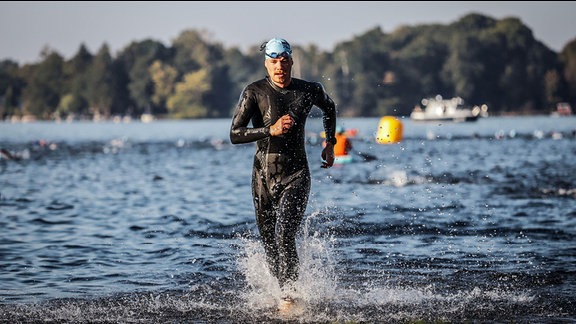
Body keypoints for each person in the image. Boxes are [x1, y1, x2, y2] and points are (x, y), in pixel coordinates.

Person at [229, 37, 337, 299]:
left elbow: (329, 107)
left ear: (291, 61)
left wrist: (330, 142)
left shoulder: (308, 90)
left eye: (284, 61)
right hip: (262, 177)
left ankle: (290, 297)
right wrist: (270, 130)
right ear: (267, 65)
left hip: (297, 175)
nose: (280, 67)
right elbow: (234, 133)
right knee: (269, 243)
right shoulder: (253, 92)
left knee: (284, 236)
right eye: (274, 62)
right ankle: (282, 292)